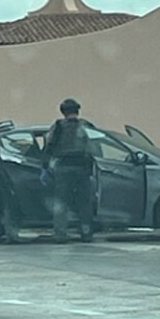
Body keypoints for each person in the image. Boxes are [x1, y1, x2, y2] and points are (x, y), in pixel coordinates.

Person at [42, 98, 96, 243]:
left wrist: (45, 166)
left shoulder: (58, 126)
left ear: (63, 112)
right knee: (84, 203)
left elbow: (49, 147)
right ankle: (86, 233)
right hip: (82, 169)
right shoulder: (85, 127)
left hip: (63, 169)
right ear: (77, 111)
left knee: (61, 203)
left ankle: (60, 235)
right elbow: (94, 149)